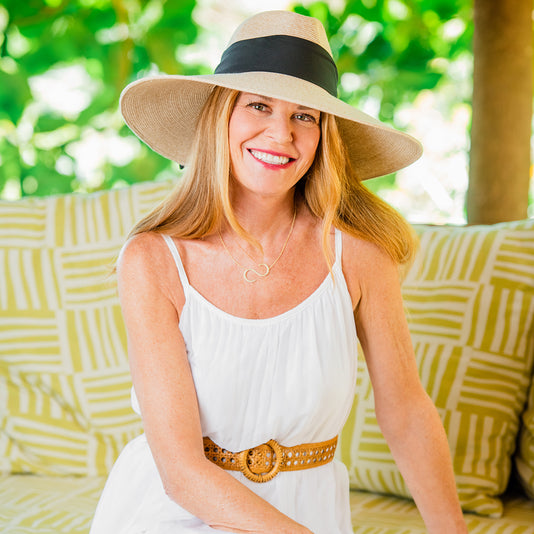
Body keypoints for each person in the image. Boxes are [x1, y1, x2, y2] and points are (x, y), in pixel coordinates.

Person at [90, 10, 468, 534]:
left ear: (323, 137)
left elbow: (406, 413)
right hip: (178, 512)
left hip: (307, 509)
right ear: (220, 117)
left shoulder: (358, 256)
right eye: (259, 106)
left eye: (305, 115)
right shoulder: (152, 259)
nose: (280, 134)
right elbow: (179, 471)